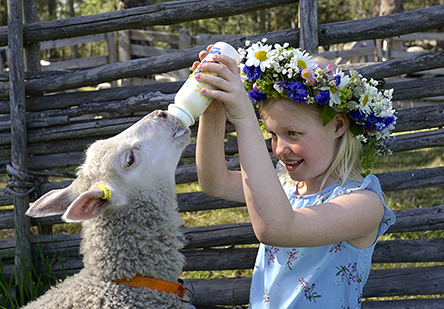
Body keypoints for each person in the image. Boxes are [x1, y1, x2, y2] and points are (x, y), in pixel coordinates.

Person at [193, 39, 397, 308]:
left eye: (293, 133)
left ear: (337, 126)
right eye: (272, 135)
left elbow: (276, 228)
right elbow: (214, 182)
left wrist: (243, 118)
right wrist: (214, 112)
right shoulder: (283, 186)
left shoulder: (363, 204)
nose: (279, 149)